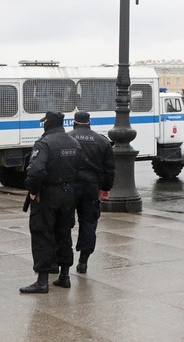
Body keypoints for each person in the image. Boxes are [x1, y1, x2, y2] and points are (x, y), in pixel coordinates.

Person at [20, 111, 82, 294]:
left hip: (47, 194)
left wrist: (32, 190)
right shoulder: (74, 142)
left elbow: (36, 171)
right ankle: (64, 276)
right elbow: (80, 167)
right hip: (68, 193)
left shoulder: (44, 143)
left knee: (42, 233)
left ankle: (42, 280)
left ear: (47, 124)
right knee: (64, 233)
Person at [68, 111, 115, 274]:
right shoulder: (102, 141)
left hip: (70, 185)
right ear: (90, 122)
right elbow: (109, 169)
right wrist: (106, 188)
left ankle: (62, 260)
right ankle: (83, 261)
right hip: (91, 187)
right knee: (88, 222)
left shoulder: (67, 138)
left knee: (64, 222)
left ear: (74, 122)